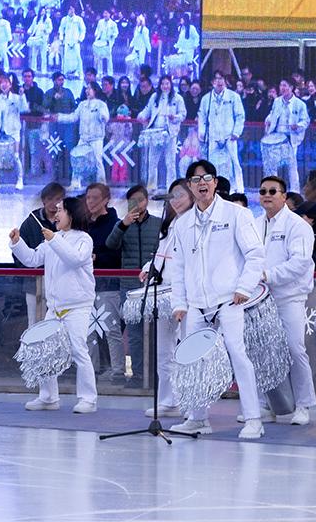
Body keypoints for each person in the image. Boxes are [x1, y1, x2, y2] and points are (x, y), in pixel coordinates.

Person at [167, 160, 267, 439]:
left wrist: (244, 287)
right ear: (189, 186)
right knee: (193, 359)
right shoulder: (183, 223)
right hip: (196, 305)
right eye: (196, 179)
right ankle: (198, 417)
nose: (202, 183)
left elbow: (255, 254)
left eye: (207, 178)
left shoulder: (236, 214)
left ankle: (253, 419)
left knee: (238, 355)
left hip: (229, 300)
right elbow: (179, 267)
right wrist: (179, 303)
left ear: (215, 183)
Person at [9, 197, 98, 413]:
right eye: (56, 210)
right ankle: (48, 397)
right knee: (45, 351)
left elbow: (75, 259)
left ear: (72, 214)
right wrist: (17, 243)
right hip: (55, 308)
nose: (56, 214)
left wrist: (53, 240)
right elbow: (31, 259)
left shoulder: (83, 239)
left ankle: (88, 399)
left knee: (79, 350)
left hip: (78, 307)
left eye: (60, 210)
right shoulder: (53, 238)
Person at [257, 176, 316, 425]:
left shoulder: (298, 225)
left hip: (290, 296)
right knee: (262, 352)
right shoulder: (254, 223)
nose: (267, 195)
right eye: (263, 191)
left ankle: (303, 405)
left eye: (273, 191)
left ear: (284, 196)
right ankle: (266, 405)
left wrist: (267, 276)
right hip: (260, 298)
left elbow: (300, 263)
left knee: (294, 348)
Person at [141, 178, 193, 418]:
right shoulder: (169, 224)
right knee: (164, 351)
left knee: (187, 349)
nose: (175, 200)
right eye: (173, 195)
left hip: (188, 295)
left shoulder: (194, 223)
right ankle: (167, 399)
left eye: (181, 194)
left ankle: (190, 400)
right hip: (163, 293)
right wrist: (148, 267)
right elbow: (162, 255)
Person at [106, 185, 162, 388]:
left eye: (140, 200)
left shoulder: (158, 224)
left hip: (154, 286)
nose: (137, 204)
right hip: (129, 288)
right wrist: (123, 225)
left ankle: (157, 376)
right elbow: (110, 245)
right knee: (135, 334)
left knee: (157, 332)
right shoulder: (123, 224)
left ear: (147, 201)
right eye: (132, 201)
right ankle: (138, 375)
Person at [84, 184, 124, 380]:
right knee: (87, 331)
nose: (90, 202)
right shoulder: (83, 224)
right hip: (85, 285)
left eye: (95, 198)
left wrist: (95, 258)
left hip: (108, 284)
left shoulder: (115, 224)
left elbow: (117, 256)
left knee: (111, 329)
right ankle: (90, 370)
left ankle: (117, 371)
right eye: (88, 197)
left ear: (106, 199)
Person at [17, 183, 65, 328]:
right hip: (34, 284)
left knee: (58, 325)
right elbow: (21, 253)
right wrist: (29, 273)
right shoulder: (31, 221)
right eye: (50, 199)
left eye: (58, 199)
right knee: (34, 324)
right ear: (43, 200)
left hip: (60, 283)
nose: (53, 203)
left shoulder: (66, 223)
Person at [197, 72, 246, 193]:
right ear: (212, 82)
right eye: (216, 79)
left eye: (221, 78)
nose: (219, 81)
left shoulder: (233, 97)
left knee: (234, 164)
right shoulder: (206, 99)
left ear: (225, 81)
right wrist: (202, 133)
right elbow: (201, 117)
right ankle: (213, 189)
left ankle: (238, 190)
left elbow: (240, 116)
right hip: (212, 137)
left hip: (229, 136)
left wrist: (236, 132)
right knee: (212, 165)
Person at [264, 79, 310, 193]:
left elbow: (306, 121)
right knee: (273, 165)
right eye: (281, 85)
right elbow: (272, 114)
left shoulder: (300, 104)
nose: (282, 88)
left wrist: (298, 126)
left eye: (285, 85)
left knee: (291, 166)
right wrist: (268, 120)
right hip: (276, 136)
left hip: (290, 137)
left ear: (291, 87)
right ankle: (273, 189)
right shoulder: (277, 101)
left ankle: (295, 191)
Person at [0, 74, 28, 191]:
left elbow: (24, 108)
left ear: (10, 85)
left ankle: (19, 180)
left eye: (6, 82)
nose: (4, 85)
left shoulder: (16, 98)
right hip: (0, 132)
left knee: (15, 156)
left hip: (13, 132)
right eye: (2, 83)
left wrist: (22, 95)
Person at [71, 83, 110, 187]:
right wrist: (59, 117)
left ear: (95, 90)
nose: (87, 91)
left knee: (98, 162)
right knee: (77, 160)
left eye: (90, 88)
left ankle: (101, 184)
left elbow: (106, 118)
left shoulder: (101, 104)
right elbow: (74, 117)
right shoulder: (82, 104)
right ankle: (75, 183)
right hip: (83, 138)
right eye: (86, 89)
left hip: (96, 139)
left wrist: (102, 115)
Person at [59, 6, 86, 81]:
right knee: (65, 57)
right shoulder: (64, 19)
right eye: (70, 9)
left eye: (72, 9)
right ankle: (64, 73)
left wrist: (80, 39)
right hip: (67, 41)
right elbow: (61, 29)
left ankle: (80, 74)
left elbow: (83, 30)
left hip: (76, 41)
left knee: (78, 57)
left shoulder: (79, 19)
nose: (71, 10)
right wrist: (61, 38)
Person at [92, 9, 118, 77]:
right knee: (99, 57)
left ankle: (110, 73)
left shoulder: (113, 23)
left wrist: (112, 36)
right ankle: (99, 72)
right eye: (104, 13)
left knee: (108, 58)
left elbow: (116, 33)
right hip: (100, 41)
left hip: (108, 42)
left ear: (109, 14)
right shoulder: (100, 22)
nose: (105, 15)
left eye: (107, 13)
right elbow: (97, 30)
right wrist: (96, 35)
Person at [128, 14, 151, 78]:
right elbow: (134, 38)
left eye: (138, 20)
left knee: (141, 63)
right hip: (135, 48)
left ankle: (142, 76)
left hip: (142, 48)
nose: (137, 22)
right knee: (133, 62)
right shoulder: (136, 29)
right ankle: (131, 75)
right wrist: (131, 45)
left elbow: (147, 40)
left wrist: (149, 49)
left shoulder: (145, 30)